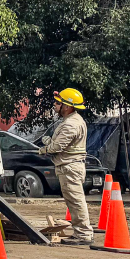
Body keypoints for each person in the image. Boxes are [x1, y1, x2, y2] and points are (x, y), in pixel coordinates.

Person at [38, 88, 93, 245]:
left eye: (58, 103)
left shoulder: (71, 124)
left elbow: (58, 147)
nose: (55, 105)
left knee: (75, 201)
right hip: (69, 166)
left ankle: (83, 234)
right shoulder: (71, 121)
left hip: (70, 167)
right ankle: (81, 232)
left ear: (67, 106)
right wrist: (50, 142)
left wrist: (44, 149)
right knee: (74, 201)